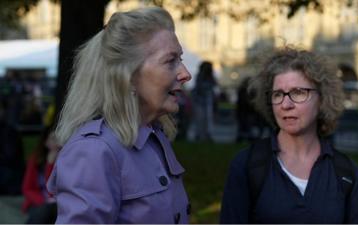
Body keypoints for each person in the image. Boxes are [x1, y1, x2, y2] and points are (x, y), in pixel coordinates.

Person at [46, 7, 192, 223]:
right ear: (128, 76)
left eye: (180, 59)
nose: (185, 74)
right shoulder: (92, 151)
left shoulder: (154, 137)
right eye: (171, 61)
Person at [220, 47, 358, 223]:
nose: (286, 104)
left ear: (322, 99)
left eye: (298, 92)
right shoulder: (247, 166)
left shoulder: (345, 172)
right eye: (278, 94)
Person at [22, 127, 59, 224]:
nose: (58, 142)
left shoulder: (64, 159)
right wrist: (43, 201)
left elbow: (52, 190)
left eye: (59, 138)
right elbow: (27, 188)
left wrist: (50, 165)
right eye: (53, 138)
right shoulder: (35, 159)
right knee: (44, 211)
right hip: (38, 202)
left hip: (57, 203)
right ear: (45, 142)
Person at [191, 61, 217, 141]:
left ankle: (207, 135)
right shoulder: (200, 76)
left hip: (207, 101)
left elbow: (214, 85)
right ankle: (199, 135)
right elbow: (199, 88)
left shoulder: (210, 77)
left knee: (208, 119)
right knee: (200, 119)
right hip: (200, 101)